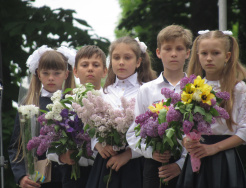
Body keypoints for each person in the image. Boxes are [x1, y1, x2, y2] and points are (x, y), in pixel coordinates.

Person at [176, 30, 246, 188]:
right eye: (204, 53)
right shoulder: (190, 87)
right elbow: (180, 124)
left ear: (227, 56)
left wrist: (214, 148)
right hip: (196, 157)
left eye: (215, 53)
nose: (209, 58)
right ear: (197, 55)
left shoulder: (236, 88)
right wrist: (185, 140)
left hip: (223, 159)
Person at [126, 25, 193, 188]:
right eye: (168, 48)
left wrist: (181, 164)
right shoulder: (146, 90)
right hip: (155, 167)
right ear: (158, 52)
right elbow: (133, 134)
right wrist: (151, 152)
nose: (174, 54)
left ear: (188, 53)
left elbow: (205, 132)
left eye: (179, 48)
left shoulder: (197, 89)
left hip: (190, 167)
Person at [86, 36, 156, 188]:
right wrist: (97, 144)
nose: (121, 62)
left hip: (135, 165)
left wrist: (128, 154)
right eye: (116, 58)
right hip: (105, 163)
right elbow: (90, 126)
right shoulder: (103, 93)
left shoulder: (146, 90)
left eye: (127, 57)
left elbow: (151, 132)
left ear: (138, 62)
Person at [8, 45, 76, 188]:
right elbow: (16, 146)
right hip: (39, 180)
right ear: (38, 74)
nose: (51, 78)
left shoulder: (75, 102)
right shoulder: (29, 105)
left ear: (66, 74)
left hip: (71, 178)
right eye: (46, 73)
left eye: (57, 73)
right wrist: (21, 176)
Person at [46, 45, 108, 188]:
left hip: (102, 171)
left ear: (105, 71)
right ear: (75, 71)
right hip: (72, 173)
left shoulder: (110, 103)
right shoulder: (64, 105)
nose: (90, 69)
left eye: (96, 65)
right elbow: (49, 145)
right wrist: (62, 157)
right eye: (85, 65)